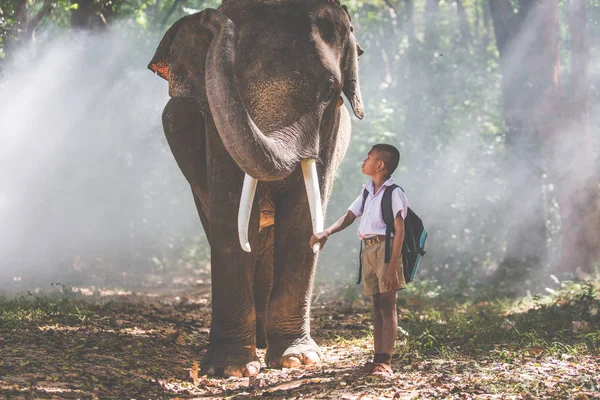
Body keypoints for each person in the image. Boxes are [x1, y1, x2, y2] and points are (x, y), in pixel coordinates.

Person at [310, 143, 408, 376]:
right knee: (377, 306)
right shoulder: (367, 191)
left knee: (387, 305)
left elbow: (400, 230)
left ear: (380, 165)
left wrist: (393, 266)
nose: (364, 161)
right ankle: (377, 358)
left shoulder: (395, 193)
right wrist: (327, 232)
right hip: (368, 248)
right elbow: (350, 216)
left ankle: (386, 362)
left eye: (369, 157)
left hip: (386, 250)